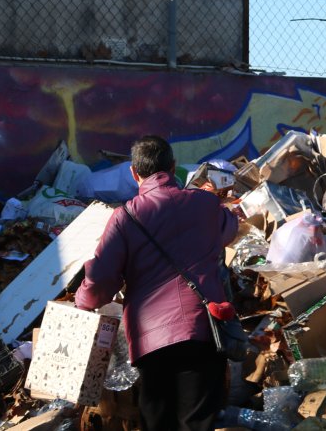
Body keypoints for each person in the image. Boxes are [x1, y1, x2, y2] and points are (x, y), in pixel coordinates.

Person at [75, 135, 238, 431]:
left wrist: (82, 301)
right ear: (173, 167)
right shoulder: (205, 204)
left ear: (134, 173)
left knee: (158, 423)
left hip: (151, 341)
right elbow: (229, 230)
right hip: (203, 330)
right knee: (196, 423)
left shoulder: (125, 217)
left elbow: (100, 281)